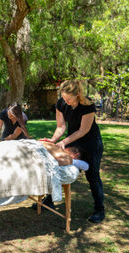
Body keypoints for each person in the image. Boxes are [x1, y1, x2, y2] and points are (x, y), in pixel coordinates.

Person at [40, 80, 105, 223]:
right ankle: (49, 200)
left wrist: (63, 142)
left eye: (68, 99)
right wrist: (53, 139)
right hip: (73, 140)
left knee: (93, 176)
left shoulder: (88, 106)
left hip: (91, 143)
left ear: (77, 94)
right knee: (59, 166)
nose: (66, 101)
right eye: (64, 98)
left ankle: (99, 210)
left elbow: (83, 131)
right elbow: (61, 126)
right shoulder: (61, 104)